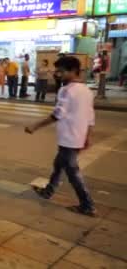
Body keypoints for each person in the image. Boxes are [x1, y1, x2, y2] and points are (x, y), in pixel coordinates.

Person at [25, 56, 96, 216]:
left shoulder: (66, 90)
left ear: (72, 71)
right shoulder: (87, 91)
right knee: (58, 165)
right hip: (77, 137)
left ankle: (87, 205)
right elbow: (91, 117)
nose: (57, 74)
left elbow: (57, 114)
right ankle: (48, 191)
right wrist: (87, 137)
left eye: (61, 71)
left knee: (72, 172)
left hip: (69, 138)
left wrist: (34, 126)